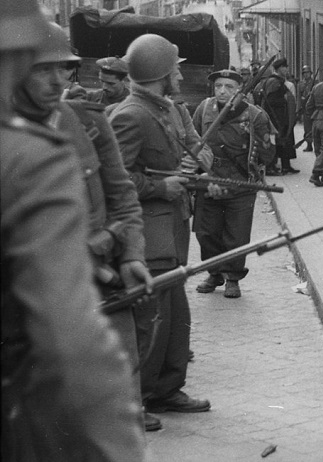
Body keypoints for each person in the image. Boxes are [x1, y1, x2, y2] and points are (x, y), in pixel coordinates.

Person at [0, 0, 145, 461]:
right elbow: (69, 343)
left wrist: (125, 250)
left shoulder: (81, 124)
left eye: (64, 69)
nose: (57, 79)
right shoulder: (26, 158)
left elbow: (121, 191)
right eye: (42, 66)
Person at [109, 33, 213, 417]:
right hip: (148, 235)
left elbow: (193, 147)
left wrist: (198, 165)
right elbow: (116, 181)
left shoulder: (165, 110)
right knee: (150, 318)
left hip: (172, 228)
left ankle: (167, 389)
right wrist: (160, 186)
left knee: (174, 314)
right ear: (159, 74)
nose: (181, 78)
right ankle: (135, 399)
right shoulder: (129, 115)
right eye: (175, 71)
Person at [193, 69, 276, 299]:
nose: (222, 91)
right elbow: (193, 141)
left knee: (237, 235)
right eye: (218, 86)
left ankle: (232, 277)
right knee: (206, 233)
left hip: (240, 184)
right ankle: (214, 273)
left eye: (229, 87)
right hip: (209, 181)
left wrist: (257, 138)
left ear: (240, 89)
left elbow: (269, 154)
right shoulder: (204, 109)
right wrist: (202, 172)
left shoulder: (254, 115)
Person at [255, 57, 298, 175]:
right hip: (275, 117)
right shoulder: (274, 82)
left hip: (280, 117)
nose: (286, 69)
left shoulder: (279, 81)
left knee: (283, 141)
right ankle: (270, 167)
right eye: (284, 67)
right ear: (279, 69)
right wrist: (284, 101)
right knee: (274, 142)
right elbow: (271, 100)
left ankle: (285, 166)